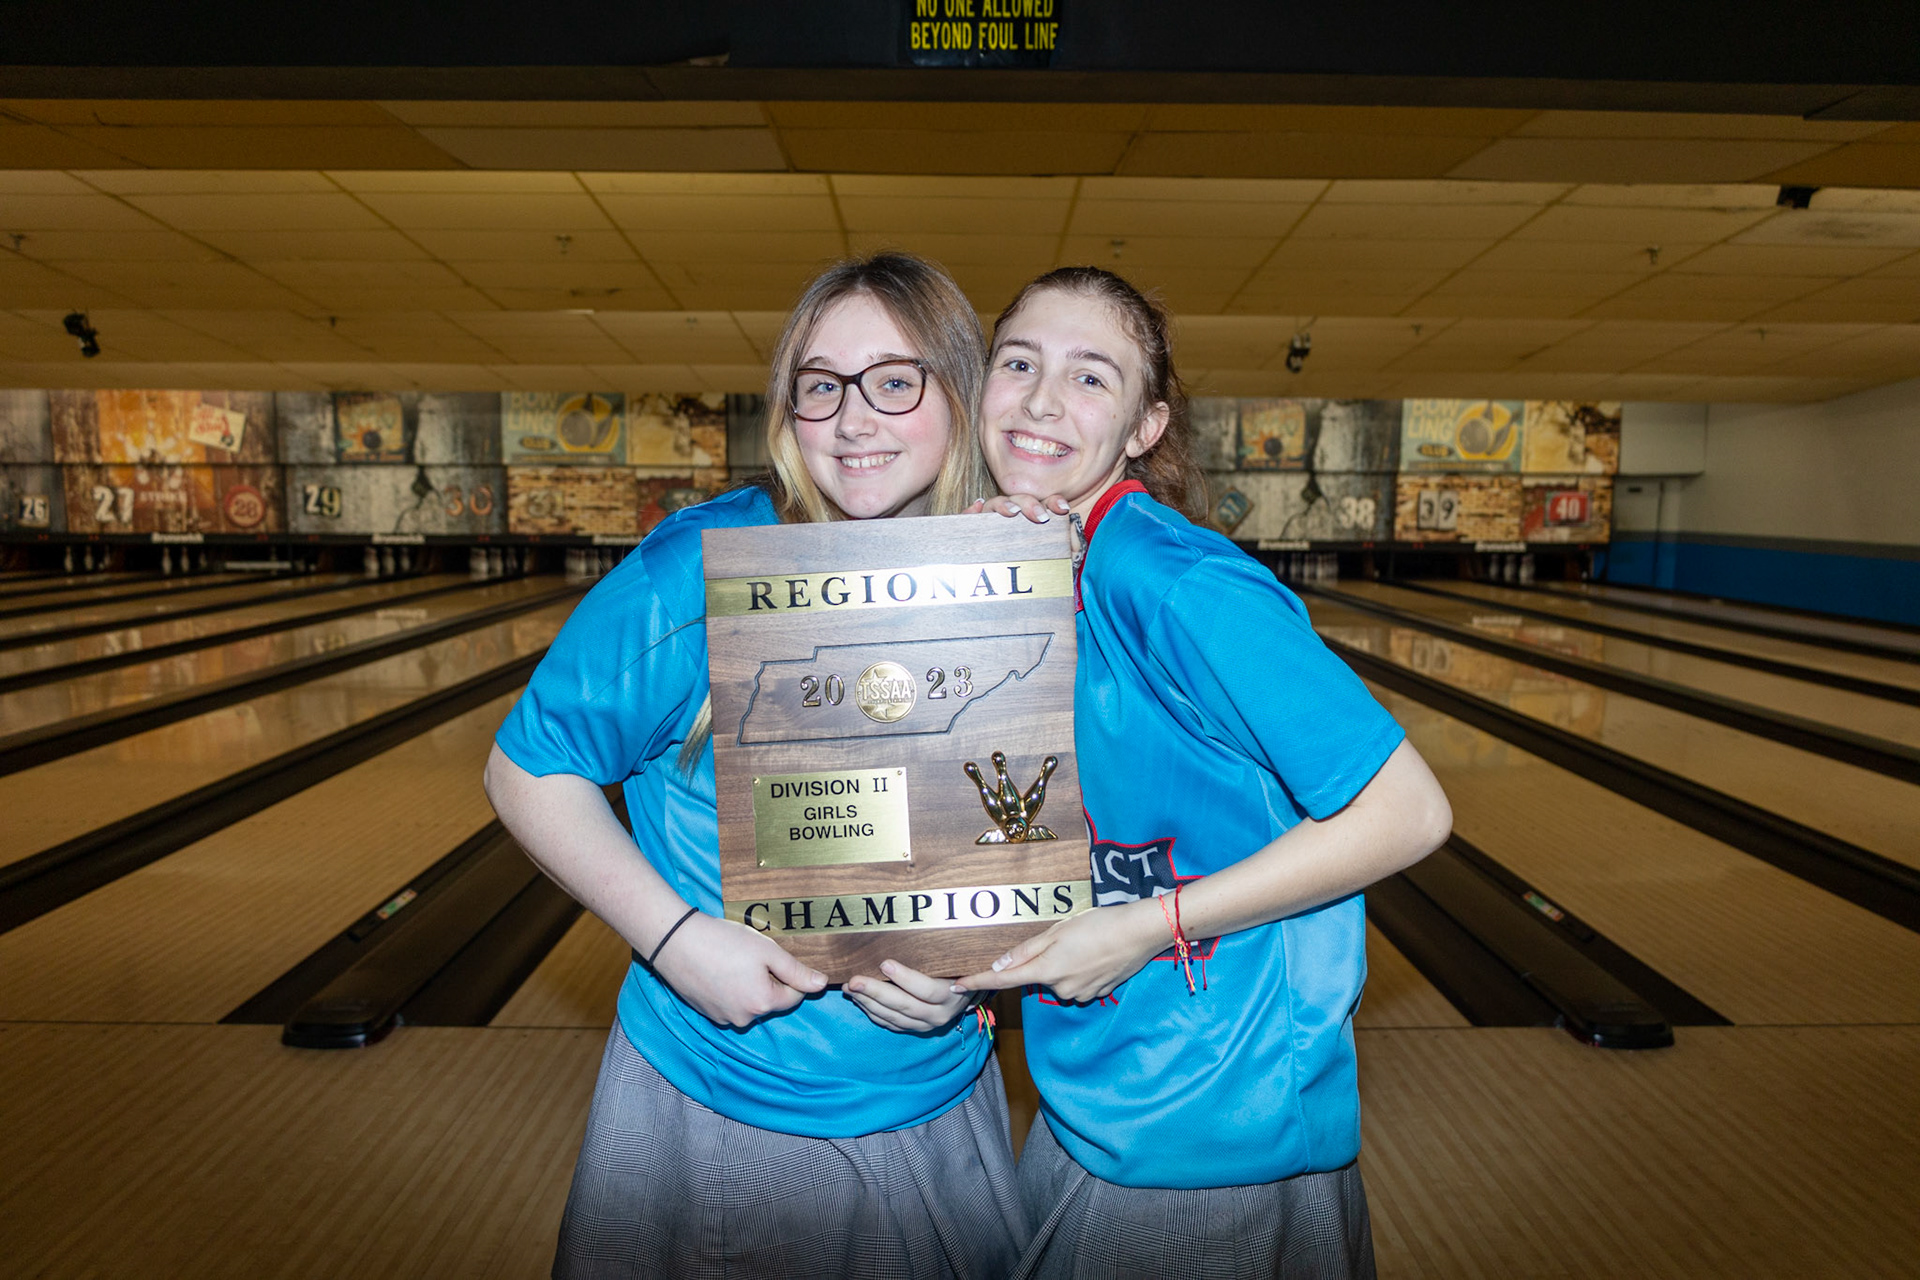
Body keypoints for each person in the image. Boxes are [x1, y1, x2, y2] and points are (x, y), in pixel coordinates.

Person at [483, 252, 1026, 1280]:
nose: (854, 418)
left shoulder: (1002, 571)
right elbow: (529, 767)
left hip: (946, 1091)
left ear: (961, 389)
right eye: (821, 384)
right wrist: (677, 939)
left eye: (895, 380)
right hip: (731, 1101)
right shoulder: (696, 568)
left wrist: (979, 973)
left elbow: (1013, 821)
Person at [957, 267, 1453, 1278]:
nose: (1045, 399)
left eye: (1092, 378)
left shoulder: (1176, 580)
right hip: (1102, 1095)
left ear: (1146, 426)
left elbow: (1409, 811)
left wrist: (1146, 925)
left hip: (1213, 1131)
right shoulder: (1059, 567)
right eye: (1020, 362)